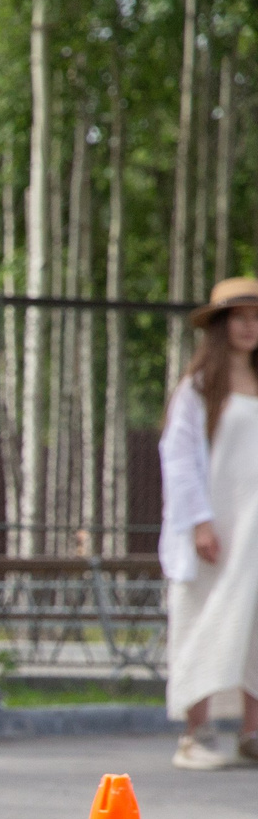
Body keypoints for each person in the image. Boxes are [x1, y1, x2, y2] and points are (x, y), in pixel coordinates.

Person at [160, 277, 258, 775]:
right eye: (239, 317)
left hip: (256, 533)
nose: (249, 327)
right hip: (217, 530)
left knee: (255, 626)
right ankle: (194, 735)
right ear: (221, 327)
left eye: (256, 318)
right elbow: (178, 459)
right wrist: (198, 522)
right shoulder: (199, 388)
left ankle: (251, 734)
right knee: (204, 621)